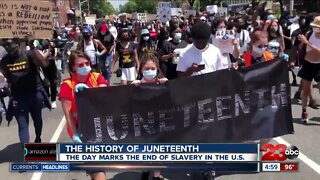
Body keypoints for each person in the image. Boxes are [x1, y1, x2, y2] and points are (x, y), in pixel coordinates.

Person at [59, 51, 109, 180]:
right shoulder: (67, 85)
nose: (85, 66)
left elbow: (104, 89)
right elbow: (68, 113)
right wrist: (75, 135)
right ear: (72, 68)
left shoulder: (97, 77)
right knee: (99, 173)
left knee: (97, 171)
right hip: (83, 134)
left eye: (87, 63)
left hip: (101, 130)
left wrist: (89, 91)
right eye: (80, 65)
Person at [0, 37, 51, 145]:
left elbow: (44, 64)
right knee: (22, 124)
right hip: (18, 97)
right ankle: (26, 147)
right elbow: (5, 76)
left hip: (35, 94)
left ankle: (38, 138)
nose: (7, 48)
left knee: (37, 119)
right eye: (5, 46)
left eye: (10, 44)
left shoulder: (29, 54)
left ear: (17, 43)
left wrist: (33, 47)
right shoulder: (5, 61)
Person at [131, 50, 167, 180]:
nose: (150, 71)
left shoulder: (162, 83)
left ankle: (157, 175)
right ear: (141, 70)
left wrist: (168, 86)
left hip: (159, 122)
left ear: (157, 69)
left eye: (153, 68)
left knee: (158, 149)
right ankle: (146, 169)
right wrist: (134, 87)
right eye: (147, 68)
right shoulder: (136, 84)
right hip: (143, 123)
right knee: (146, 149)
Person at [297, 16, 320, 123]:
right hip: (308, 64)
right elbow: (301, 48)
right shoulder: (309, 34)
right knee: (306, 90)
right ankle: (304, 111)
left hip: (319, 65)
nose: (315, 28)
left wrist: (307, 43)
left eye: (317, 26)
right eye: (314, 26)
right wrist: (301, 42)